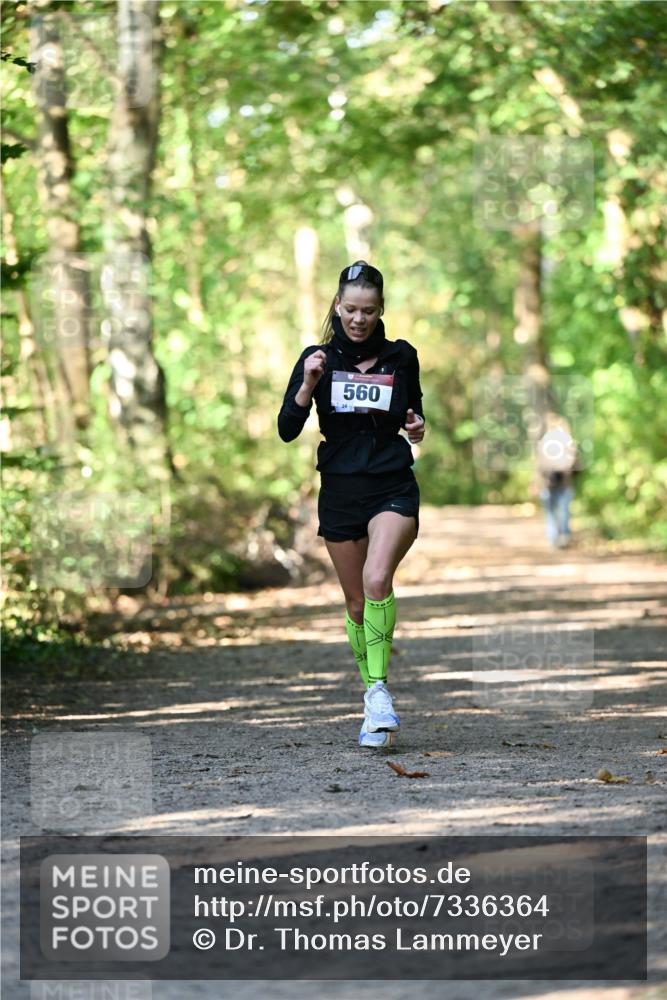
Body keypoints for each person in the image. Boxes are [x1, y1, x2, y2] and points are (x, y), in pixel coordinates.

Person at [277, 261, 426, 748]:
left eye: (368, 310)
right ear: (337, 306)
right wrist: (307, 384)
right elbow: (286, 428)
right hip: (340, 490)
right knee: (357, 603)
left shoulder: (402, 356)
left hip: (391, 485)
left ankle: (379, 695)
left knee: (377, 579)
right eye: (351, 309)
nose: (359, 319)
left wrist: (416, 425)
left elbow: (413, 412)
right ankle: (372, 695)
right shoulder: (317, 357)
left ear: (380, 310)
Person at [535, 418, 581, 548]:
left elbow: (539, 465)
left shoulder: (544, 442)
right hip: (565, 483)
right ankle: (564, 535)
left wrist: (536, 482)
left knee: (550, 513)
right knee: (564, 510)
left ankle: (553, 538)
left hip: (547, 483)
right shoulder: (568, 442)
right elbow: (575, 464)